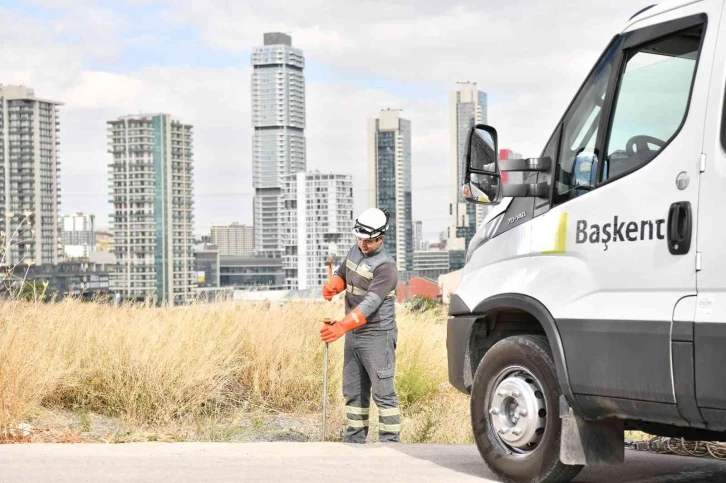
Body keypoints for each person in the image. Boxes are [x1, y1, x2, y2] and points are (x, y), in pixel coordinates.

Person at [320, 207, 401, 443]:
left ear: (380, 238)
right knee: (353, 390)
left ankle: (390, 443)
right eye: (359, 239)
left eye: (367, 241)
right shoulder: (355, 250)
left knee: (383, 393)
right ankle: (354, 439)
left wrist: (340, 327)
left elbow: (369, 305)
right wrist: (334, 285)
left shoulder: (386, 267)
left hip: (377, 336)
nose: (362, 245)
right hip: (354, 334)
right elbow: (343, 273)